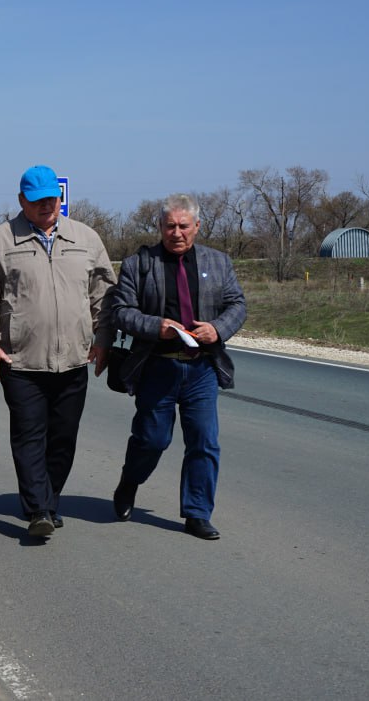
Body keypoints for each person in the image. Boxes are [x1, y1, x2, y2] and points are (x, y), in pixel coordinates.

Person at [0, 165, 117, 539]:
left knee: (64, 437)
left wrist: (103, 339)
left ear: (60, 197)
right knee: (29, 435)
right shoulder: (0, 241)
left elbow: (104, 294)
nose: (46, 205)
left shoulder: (85, 238)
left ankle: (48, 500)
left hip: (73, 359)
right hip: (21, 361)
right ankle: (39, 509)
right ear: (22, 201)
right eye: (37, 200)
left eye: (52, 198)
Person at [108, 193, 246, 540]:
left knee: (204, 442)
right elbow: (121, 311)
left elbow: (237, 305)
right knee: (151, 440)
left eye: (184, 225)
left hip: (201, 369)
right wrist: (157, 326)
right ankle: (129, 482)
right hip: (158, 367)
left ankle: (197, 513)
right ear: (160, 227)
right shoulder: (139, 264)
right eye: (170, 226)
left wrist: (218, 329)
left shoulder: (218, 262)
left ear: (197, 226)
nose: (177, 232)